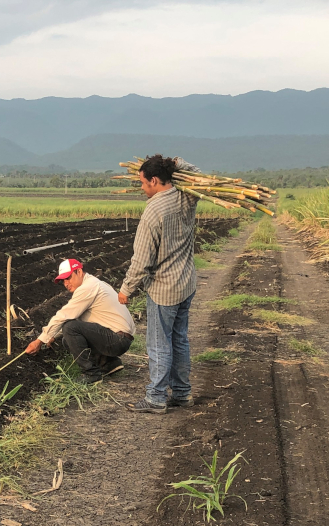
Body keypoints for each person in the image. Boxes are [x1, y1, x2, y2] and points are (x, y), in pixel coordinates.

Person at [116, 155, 198, 413]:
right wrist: (179, 163)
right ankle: (182, 394)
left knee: (159, 343)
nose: (141, 188)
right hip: (186, 283)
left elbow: (141, 259)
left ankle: (156, 397)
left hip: (164, 288)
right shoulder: (187, 197)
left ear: (154, 180)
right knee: (179, 339)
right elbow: (196, 173)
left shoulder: (154, 210)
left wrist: (126, 288)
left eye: (142, 182)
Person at [24, 258, 135, 382]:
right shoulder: (95, 283)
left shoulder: (88, 287)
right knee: (68, 340)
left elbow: (64, 315)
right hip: (120, 338)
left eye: (68, 277)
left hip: (117, 339)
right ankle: (109, 363)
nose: (66, 283)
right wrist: (53, 336)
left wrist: (39, 341)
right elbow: (74, 317)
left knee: (70, 328)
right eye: (63, 280)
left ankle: (91, 374)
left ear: (79, 272)